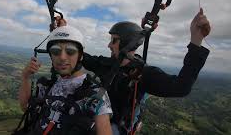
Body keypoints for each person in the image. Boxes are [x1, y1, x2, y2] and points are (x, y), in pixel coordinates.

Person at [57, 8, 211, 135]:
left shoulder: (143, 74)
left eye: (114, 40)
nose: (109, 45)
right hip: (98, 118)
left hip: (117, 126)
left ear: (125, 42)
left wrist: (196, 41)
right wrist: (64, 30)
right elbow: (81, 56)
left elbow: (181, 87)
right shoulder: (107, 64)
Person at [17, 26, 113, 135]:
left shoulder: (95, 94)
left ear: (80, 56)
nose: (62, 57)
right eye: (56, 51)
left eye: (70, 51)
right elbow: (25, 107)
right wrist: (25, 77)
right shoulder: (48, 85)